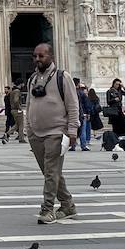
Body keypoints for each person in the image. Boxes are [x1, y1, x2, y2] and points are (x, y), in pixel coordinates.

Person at [25, 43, 79, 224]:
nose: (37, 59)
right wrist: (28, 128)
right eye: (35, 56)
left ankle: (47, 209)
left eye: (41, 56)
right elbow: (29, 104)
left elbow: (73, 105)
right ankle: (67, 204)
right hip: (36, 133)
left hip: (56, 131)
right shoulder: (32, 78)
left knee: (51, 171)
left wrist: (72, 130)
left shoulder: (63, 77)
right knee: (51, 172)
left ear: (51, 57)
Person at [72, 78, 92, 152]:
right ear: (78, 84)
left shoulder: (70, 92)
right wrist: (88, 113)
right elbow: (86, 104)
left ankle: (73, 145)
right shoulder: (81, 93)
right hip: (81, 113)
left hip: (72, 113)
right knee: (82, 130)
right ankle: (83, 145)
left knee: (73, 130)